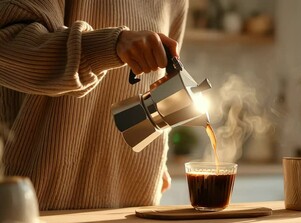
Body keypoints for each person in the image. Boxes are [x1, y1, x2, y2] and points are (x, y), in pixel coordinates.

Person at [0, 0, 188, 210]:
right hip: (34, 206)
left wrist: (157, 160)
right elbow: (6, 45)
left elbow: (165, 76)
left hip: (137, 204)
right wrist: (109, 46)